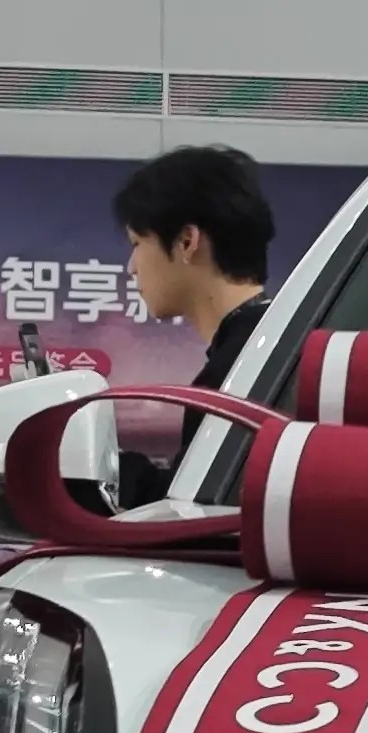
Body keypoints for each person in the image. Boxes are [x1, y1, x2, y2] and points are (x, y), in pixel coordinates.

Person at [108, 146, 275, 506]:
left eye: (137, 243)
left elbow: (197, 512)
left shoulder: (242, 373)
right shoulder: (270, 347)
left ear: (187, 241)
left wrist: (93, 465)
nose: (131, 266)